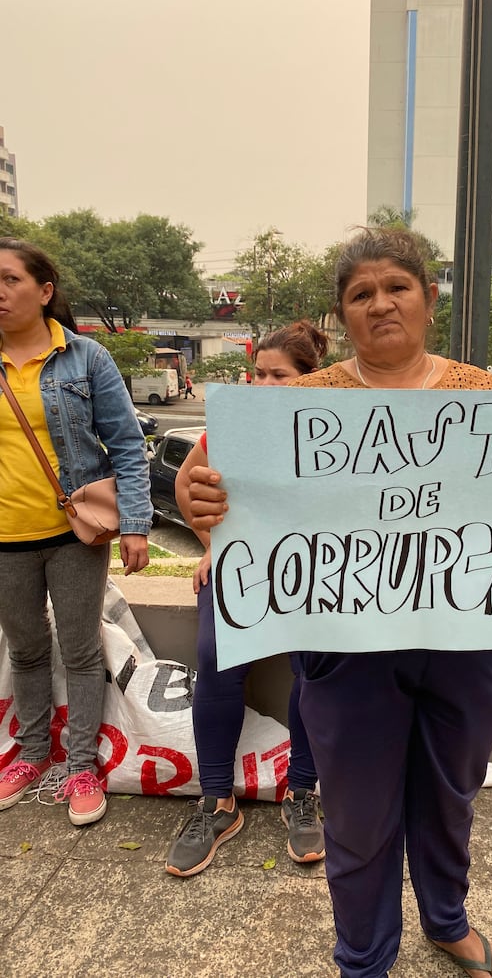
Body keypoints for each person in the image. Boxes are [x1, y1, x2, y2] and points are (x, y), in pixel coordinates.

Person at [185, 228, 492, 978]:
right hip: (344, 652)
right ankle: (363, 958)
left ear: (429, 299)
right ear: (342, 317)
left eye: (396, 287)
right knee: (359, 816)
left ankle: (446, 920)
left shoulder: (482, 393)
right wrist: (193, 493)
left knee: (450, 796)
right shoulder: (300, 404)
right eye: (361, 294)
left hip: (465, 646)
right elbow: (212, 484)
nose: (381, 304)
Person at [165, 320, 329, 877]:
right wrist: (211, 544)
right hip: (240, 568)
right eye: (257, 372)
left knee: (312, 670)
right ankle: (216, 801)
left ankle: (302, 793)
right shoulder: (231, 427)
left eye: (278, 374)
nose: (262, 384)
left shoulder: (333, 427)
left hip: (310, 573)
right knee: (215, 664)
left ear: (310, 380)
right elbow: (187, 486)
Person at [0, 237, 151, 826]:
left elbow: (128, 446)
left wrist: (135, 524)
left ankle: (82, 765)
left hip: (73, 534)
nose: (1, 291)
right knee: (28, 648)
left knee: (83, 649)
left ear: (44, 290)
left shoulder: (85, 358)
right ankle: (33, 755)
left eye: (11, 279)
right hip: (7, 538)